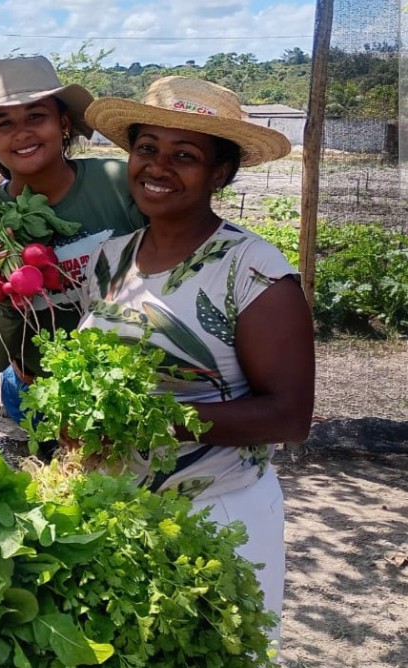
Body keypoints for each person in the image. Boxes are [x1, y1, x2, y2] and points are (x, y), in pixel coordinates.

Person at [81, 76, 315, 646]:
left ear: (220, 174)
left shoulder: (251, 268)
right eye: (147, 148)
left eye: (184, 155)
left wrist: (152, 419)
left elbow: (289, 415)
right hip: (117, 514)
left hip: (218, 516)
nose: (158, 166)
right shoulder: (110, 262)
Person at [0, 56, 146, 422]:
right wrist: (3, 297)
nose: (22, 132)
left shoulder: (120, 185)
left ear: (64, 123)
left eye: (36, 116)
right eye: (4, 123)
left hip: (134, 385)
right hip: (40, 394)